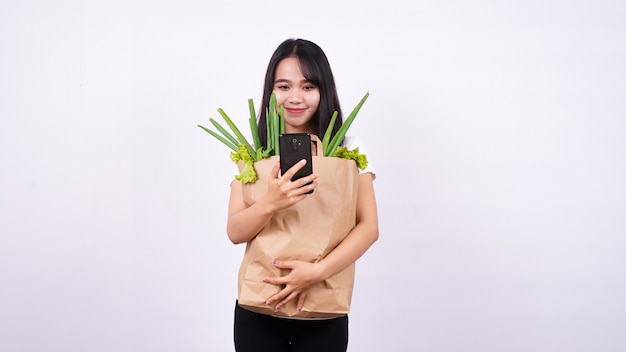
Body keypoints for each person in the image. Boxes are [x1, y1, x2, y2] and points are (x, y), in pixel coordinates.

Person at [226, 38, 379, 352]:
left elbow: (368, 227)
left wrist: (315, 272)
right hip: (258, 310)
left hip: (323, 310)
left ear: (323, 90)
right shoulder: (254, 153)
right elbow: (235, 231)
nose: (295, 97)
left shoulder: (349, 149)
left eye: (308, 87)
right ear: (271, 91)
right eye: (283, 86)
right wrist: (271, 202)